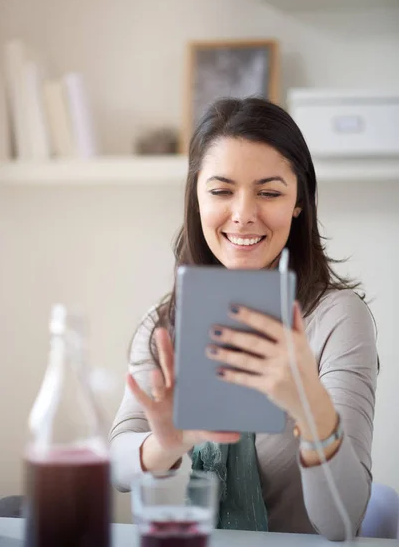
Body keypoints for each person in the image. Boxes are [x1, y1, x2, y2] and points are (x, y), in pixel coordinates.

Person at [110, 97, 377, 541]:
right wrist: (166, 444)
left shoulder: (337, 318)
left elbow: (342, 522)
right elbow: (118, 465)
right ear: (196, 197)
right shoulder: (164, 323)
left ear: (299, 202)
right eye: (220, 191)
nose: (243, 214)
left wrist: (311, 408)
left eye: (269, 192)